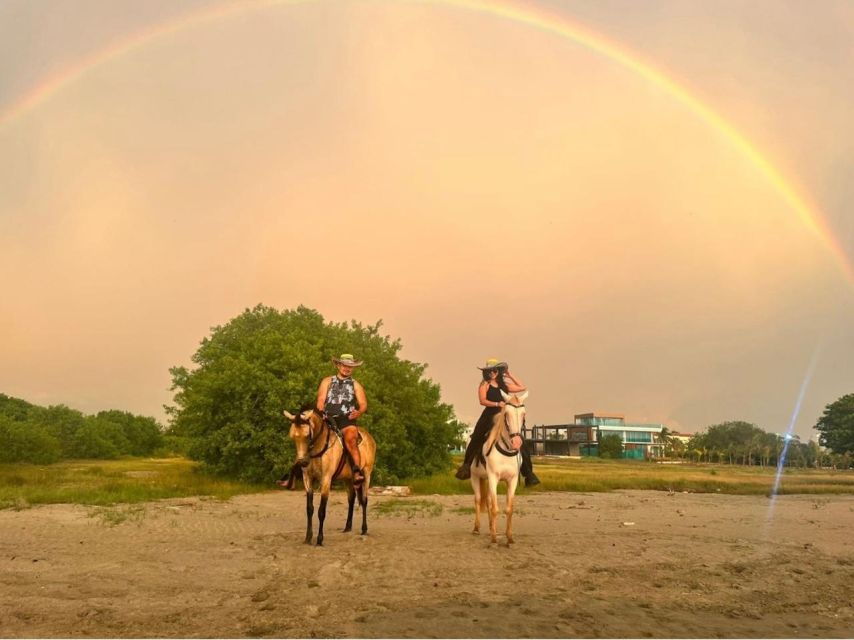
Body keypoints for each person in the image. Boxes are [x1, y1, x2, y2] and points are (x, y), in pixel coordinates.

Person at [454, 358, 540, 487]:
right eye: (490, 371)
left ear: (498, 371)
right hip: (489, 414)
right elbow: (482, 401)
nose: (493, 373)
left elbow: (522, 387)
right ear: (487, 372)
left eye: (495, 370)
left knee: (519, 440)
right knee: (477, 437)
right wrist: (496, 403)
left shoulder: (504, 385)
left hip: (504, 416)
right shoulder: (485, 385)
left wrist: (509, 374)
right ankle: (466, 467)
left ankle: (528, 474)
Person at [316, 353, 368, 487]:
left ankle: (357, 471)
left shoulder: (356, 384)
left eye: (350, 366)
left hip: (346, 418)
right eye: (344, 365)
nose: (347, 368)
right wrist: (321, 412)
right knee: (308, 434)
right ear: (338, 365)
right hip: (328, 417)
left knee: (351, 439)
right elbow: (321, 400)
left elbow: (363, 404)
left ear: (353, 368)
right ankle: (300, 468)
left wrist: (359, 412)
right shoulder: (327, 381)